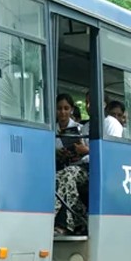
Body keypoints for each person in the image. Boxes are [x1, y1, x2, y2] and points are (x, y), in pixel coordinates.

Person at [54, 94, 88, 235]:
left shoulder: (80, 129)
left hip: (80, 168)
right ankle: (79, 217)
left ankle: (58, 219)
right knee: (62, 177)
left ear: (71, 110)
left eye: (66, 108)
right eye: (59, 108)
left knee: (66, 175)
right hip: (61, 166)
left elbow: (89, 152)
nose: (63, 112)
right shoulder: (51, 129)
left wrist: (80, 151)